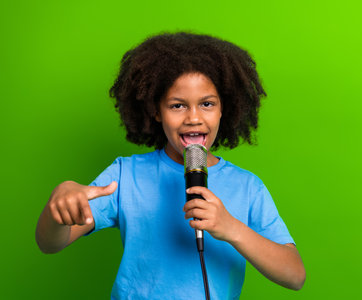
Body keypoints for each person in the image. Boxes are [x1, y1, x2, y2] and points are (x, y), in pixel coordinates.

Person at [35, 31, 306, 299]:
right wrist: (57, 211)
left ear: (225, 107)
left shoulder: (247, 187)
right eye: (178, 106)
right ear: (156, 111)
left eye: (207, 104)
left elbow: (294, 276)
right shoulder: (126, 175)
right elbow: (49, 243)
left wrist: (231, 227)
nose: (194, 118)